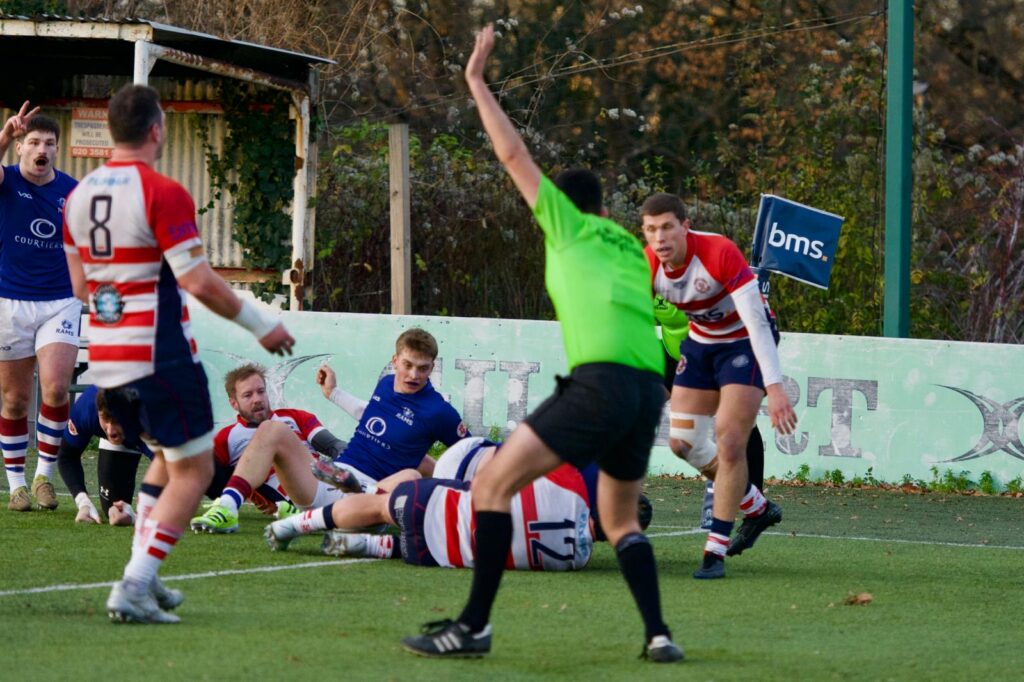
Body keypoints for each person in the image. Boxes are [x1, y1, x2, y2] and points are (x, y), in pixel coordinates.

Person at [400, 25, 682, 663]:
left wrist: (477, 81)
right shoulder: (627, 246)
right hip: (648, 393)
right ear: (604, 208)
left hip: (602, 384)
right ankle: (659, 635)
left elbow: (511, 153)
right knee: (620, 519)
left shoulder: (569, 229)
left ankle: (473, 628)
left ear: (562, 205)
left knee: (490, 487)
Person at [63, 83, 295, 624]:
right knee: (194, 471)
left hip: (107, 359)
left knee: (168, 460)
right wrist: (261, 324)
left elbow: (79, 286)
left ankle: (144, 575)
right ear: (156, 129)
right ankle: (134, 584)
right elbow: (197, 280)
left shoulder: (78, 196)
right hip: (160, 355)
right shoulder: (162, 191)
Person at [639, 192, 797, 580]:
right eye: (651, 229)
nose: (660, 238)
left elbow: (756, 322)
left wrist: (775, 387)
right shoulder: (647, 264)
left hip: (744, 341)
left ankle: (715, 553)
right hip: (702, 341)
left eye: (667, 227)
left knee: (729, 442)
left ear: (685, 226)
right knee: (682, 443)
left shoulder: (718, 252)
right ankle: (758, 508)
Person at [264, 461, 594, 574]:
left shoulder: (573, 485)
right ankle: (368, 544)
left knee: (381, 504)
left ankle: (291, 526)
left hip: (432, 503)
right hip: (431, 556)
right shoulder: (577, 561)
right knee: (411, 538)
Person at [0, 101, 79, 512]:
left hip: (60, 301)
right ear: (20, 147)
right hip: (9, 300)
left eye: (48, 143)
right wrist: (3, 135)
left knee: (56, 387)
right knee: (15, 399)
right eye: (33, 142)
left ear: (56, 149)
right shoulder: (7, 180)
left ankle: (44, 475)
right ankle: (16, 485)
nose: (40, 149)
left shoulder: (73, 191)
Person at [189, 362, 356, 534]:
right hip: (291, 501)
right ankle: (226, 506)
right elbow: (200, 472)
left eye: (261, 391)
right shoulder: (227, 438)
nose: (257, 399)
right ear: (234, 403)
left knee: (272, 429)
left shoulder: (295, 417)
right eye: (247, 395)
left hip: (322, 486)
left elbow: (334, 446)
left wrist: (351, 475)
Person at [315, 327, 469, 485]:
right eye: (407, 365)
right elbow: (372, 414)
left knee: (413, 474)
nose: (414, 375)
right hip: (341, 469)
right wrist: (332, 392)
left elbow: (473, 452)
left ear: (432, 368)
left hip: (375, 489)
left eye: (423, 368)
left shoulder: (439, 411)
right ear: (395, 361)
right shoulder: (386, 383)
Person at [58, 384, 153, 525]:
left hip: (157, 426)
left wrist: (144, 512)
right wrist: (83, 502)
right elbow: (67, 456)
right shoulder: (87, 407)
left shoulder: (152, 419)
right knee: (116, 512)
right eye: (105, 419)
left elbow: (175, 470)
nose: (110, 430)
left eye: (116, 421)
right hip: (131, 429)